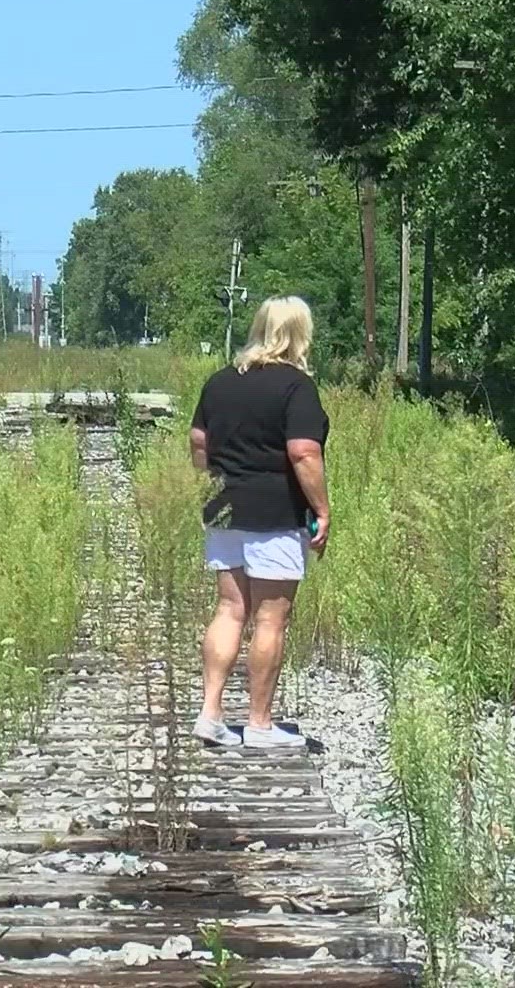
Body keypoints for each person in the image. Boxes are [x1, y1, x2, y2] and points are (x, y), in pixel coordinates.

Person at [187, 296, 329, 749]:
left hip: (224, 508)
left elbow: (198, 443)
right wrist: (323, 510)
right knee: (271, 618)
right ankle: (259, 724)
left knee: (230, 610)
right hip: (274, 513)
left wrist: (217, 484)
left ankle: (210, 714)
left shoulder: (220, 382)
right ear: (299, 334)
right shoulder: (296, 387)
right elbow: (303, 451)